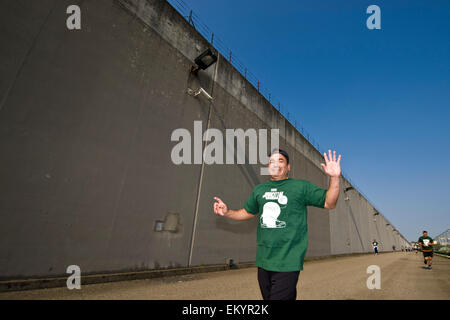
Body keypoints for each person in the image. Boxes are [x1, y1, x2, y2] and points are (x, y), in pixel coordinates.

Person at [213, 149, 341, 300]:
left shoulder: (301, 187)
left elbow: (329, 203)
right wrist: (228, 212)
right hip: (264, 260)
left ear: (288, 167)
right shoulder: (259, 190)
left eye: (280, 160)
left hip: (288, 260)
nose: (276, 164)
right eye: (272, 161)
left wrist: (334, 178)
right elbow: (247, 212)